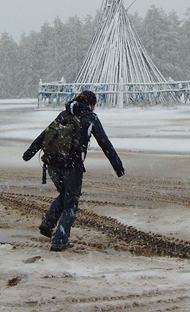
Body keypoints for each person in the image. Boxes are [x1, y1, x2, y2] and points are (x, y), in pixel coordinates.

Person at [22, 90, 125, 251]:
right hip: (71, 165)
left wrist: (29, 153)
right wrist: (118, 167)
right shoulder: (90, 118)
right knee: (71, 202)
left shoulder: (63, 114)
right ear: (91, 104)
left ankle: (49, 221)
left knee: (65, 195)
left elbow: (44, 135)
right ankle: (60, 240)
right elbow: (105, 143)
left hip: (52, 163)